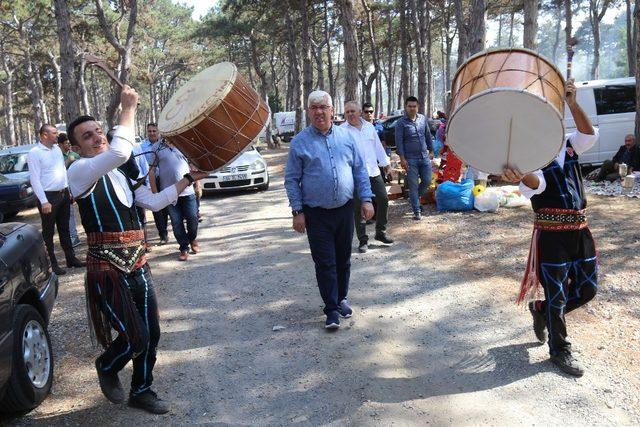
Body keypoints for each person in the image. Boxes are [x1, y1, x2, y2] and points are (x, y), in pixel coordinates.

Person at [66, 85, 208, 414]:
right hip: (106, 270)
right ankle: (106, 365)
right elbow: (119, 151)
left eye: (99, 131)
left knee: (151, 333)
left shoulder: (121, 172)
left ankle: (142, 390)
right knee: (134, 336)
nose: (97, 137)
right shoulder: (78, 172)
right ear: (75, 147)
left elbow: (154, 200)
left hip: (138, 264)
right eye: (87, 136)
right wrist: (127, 110)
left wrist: (187, 180)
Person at [501, 79, 599, 378]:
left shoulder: (569, 143)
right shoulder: (529, 157)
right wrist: (520, 175)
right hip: (551, 236)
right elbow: (536, 183)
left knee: (587, 289)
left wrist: (572, 101)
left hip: (580, 231)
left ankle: (541, 311)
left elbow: (589, 134)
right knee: (557, 295)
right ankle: (560, 350)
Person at [284, 90, 374, 330]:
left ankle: (341, 298)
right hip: (316, 214)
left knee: (343, 259)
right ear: (309, 112)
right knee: (325, 262)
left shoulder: (346, 137)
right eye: (314, 108)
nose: (319, 112)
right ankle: (331, 309)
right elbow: (292, 179)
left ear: (332, 110)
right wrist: (297, 211)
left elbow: (359, 171)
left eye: (323, 106)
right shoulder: (300, 142)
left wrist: (366, 199)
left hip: (345, 209)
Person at [28, 124, 84, 275]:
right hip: (48, 197)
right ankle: (52, 264)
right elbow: (34, 179)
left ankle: (71, 259)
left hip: (63, 194)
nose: (57, 136)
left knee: (64, 228)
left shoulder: (57, 150)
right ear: (44, 135)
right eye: (54, 133)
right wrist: (43, 201)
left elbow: (62, 171)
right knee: (48, 231)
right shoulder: (35, 153)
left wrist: (69, 191)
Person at [341, 101, 393, 253]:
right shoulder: (341, 131)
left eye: (353, 111)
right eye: (347, 112)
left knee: (383, 199)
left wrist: (386, 164)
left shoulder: (370, 127)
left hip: (373, 171)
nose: (350, 114)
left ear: (359, 112)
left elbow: (377, 147)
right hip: (354, 175)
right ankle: (363, 240)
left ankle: (380, 232)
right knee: (358, 208)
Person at [150, 139, 200, 261]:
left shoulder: (183, 142)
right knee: (176, 222)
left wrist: (198, 184)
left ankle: (192, 238)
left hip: (188, 191)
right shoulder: (157, 147)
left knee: (193, 217)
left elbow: (194, 166)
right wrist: (154, 191)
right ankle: (184, 247)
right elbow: (152, 170)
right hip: (169, 194)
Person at [395, 96, 434, 220]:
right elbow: (399, 141)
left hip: (424, 156)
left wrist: (431, 150)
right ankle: (417, 211)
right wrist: (402, 159)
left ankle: (414, 198)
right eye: (409, 106)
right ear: (406, 107)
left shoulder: (422, 119)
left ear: (418, 107)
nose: (412, 108)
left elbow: (427, 135)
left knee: (427, 180)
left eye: (414, 106)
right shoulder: (401, 123)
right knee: (413, 185)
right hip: (410, 159)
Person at [141, 123, 169, 245]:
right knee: (156, 207)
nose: (152, 133)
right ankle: (162, 233)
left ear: (158, 132)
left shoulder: (164, 145)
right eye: (150, 131)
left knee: (166, 206)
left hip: (164, 179)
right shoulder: (142, 147)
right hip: (150, 180)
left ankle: (165, 229)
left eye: (154, 131)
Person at [58, 133, 82, 248]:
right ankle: (74, 237)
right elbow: (58, 171)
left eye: (69, 143)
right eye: (67, 143)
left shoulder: (75, 155)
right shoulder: (58, 156)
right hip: (66, 187)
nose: (69, 145)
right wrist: (68, 161)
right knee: (69, 213)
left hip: (79, 186)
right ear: (61, 144)